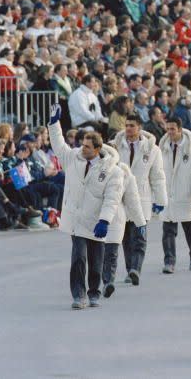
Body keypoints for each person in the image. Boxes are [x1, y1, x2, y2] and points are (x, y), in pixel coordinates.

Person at [47, 103, 124, 309]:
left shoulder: (113, 171)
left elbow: (112, 198)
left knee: (96, 261)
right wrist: (54, 124)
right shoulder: (73, 158)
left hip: (97, 221)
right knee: (78, 258)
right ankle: (78, 295)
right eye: (82, 144)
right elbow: (59, 145)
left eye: (88, 146)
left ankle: (94, 292)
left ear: (98, 149)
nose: (83, 148)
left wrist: (105, 220)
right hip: (76, 219)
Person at [111, 114, 167, 286]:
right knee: (126, 237)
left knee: (140, 236)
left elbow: (157, 176)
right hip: (121, 197)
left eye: (132, 125)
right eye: (126, 125)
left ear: (139, 127)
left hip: (142, 197)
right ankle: (130, 270)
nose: (128, 128)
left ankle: (136, 268)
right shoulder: (115, 147)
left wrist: (160, 200)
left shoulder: (152, 149)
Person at [158, 117, 191, 273]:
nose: (170, 132)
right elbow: (156, 175)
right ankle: (169, 262)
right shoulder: (162, 148)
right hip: (168, 196)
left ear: (180, 129)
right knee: (168, 231)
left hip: (187, 195)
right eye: (167, 129)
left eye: (173, 129)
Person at [101, 143, 146, 299]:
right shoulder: (92, 169)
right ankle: (103, 280)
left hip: (116, 216)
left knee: (111, 251)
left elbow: (132, 199)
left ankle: (108, 282)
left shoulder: (124, 172)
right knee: (101, 253)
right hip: (93, 216)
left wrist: (140, 222)